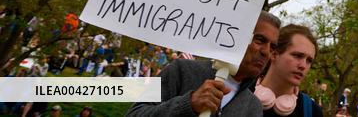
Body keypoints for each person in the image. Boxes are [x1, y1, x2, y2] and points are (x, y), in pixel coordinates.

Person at [125, 12, 281, 117]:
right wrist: (189, 105)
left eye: (272, 47)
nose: (266, 52)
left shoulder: (253, 107)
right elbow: (134, 114)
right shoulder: (182, 70)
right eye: (259, 40)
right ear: (239, 37)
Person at [254, 25, 322, 117]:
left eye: (309, 61)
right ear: (274, 54)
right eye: (297, 56)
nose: (303, 66)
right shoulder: (239, 92)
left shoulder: (312, 111)